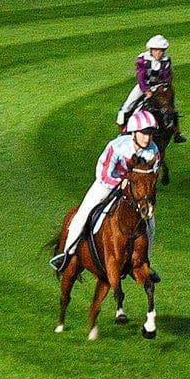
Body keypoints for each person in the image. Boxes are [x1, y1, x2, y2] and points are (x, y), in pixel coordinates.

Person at [52, 109, 160, 271]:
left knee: (150, 223)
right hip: (106, 185)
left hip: (132, 192)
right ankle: (67, 253)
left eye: (150, 133)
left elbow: (153, 176)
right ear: (134, 133)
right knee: (83, 213)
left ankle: (146, 261)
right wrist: (121, 182)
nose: (147, 138)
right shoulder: (116, 147)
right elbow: (102, 172)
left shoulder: (154, 150)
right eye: (144, 133)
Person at [115, 34, 185, 143]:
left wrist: (164, 86)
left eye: (161, 50)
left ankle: (177, 133)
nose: (159, 53)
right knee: (128, 104)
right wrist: (146, 90)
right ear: (151, 50)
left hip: (159, 86)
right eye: (156, 50)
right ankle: (122, 130)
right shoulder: (143, 59)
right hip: (144, 86)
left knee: (173, 107)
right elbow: (140, 77)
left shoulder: (166, 60)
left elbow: (167, 75)